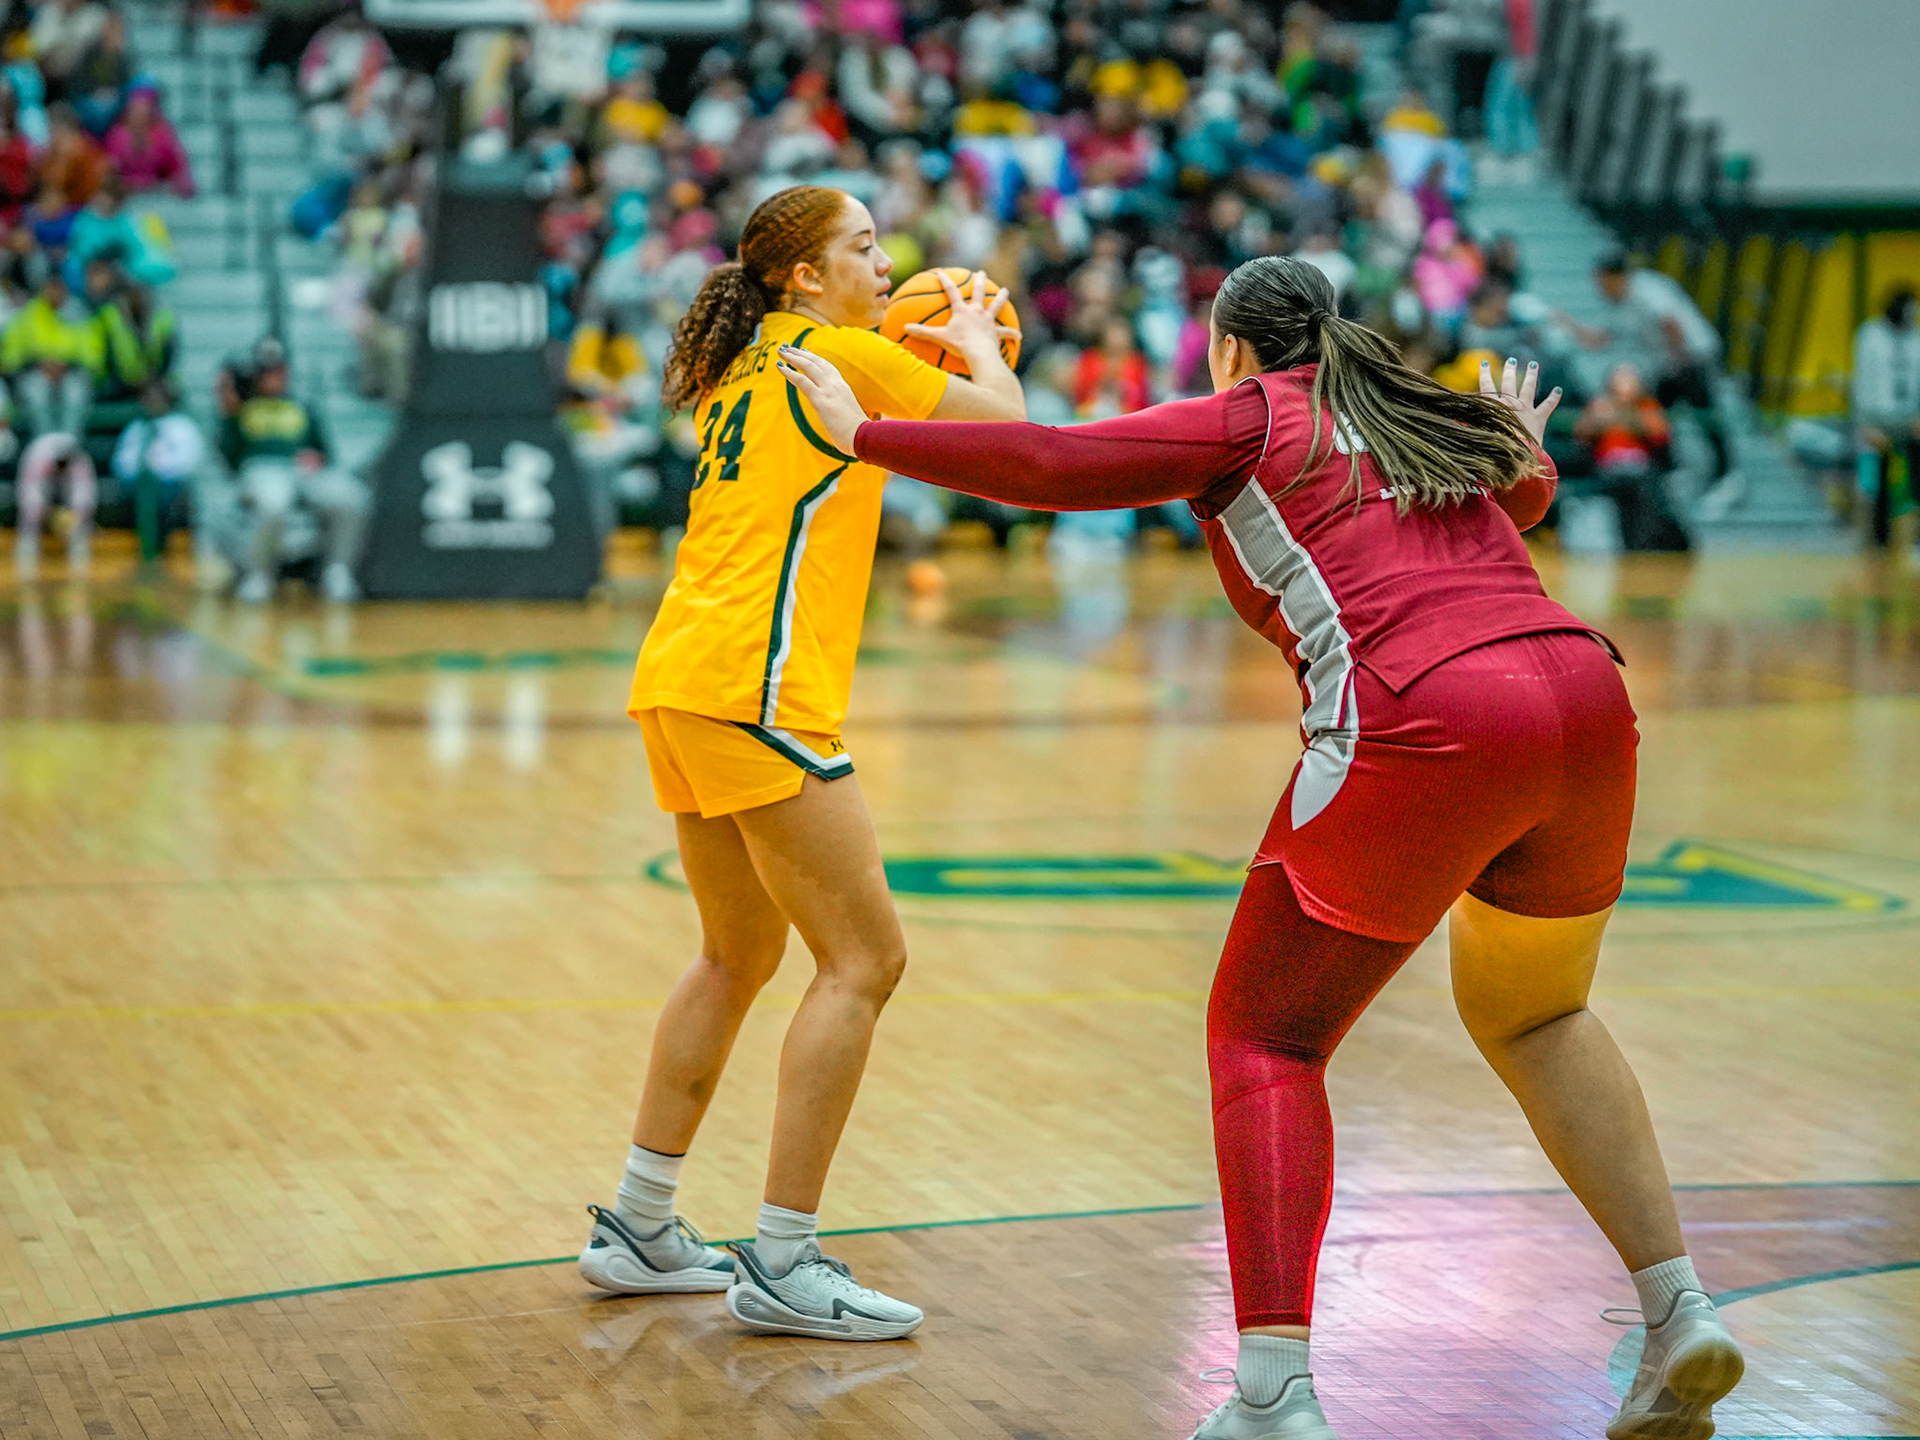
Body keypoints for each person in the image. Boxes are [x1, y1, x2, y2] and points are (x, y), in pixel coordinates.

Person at [777, 255, 1745, 1439]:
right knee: (1540, 1018)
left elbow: (1054, 464)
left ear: (1230, 347)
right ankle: (1679, 1311)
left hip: (1427, 712)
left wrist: (862, 434)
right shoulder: (1414, 407)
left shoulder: (1245, 416)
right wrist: (1526, 451)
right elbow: (1521, 500)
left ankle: (1275, 1395)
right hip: (1586, 702)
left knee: (1266, 1038)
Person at [582, 184, 1024, 1341]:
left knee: (736, 954)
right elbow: (1011, 435)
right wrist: (979, 339)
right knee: (865, 960)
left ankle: (639, 1224)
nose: (887, 266)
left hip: (680, 677)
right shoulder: (840, 356)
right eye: (864, 248)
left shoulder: (741, 371)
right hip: (758, 689)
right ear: (803, 277)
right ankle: (784, 1259)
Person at [216, 338, 369, 603]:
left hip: (303, 472)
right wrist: (228, 410)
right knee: (273, 502)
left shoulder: (301, 408)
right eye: (266, 372)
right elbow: (230, 458)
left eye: (278, 371)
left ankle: (337, 571)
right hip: (263, 470)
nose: (273, 378)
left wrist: (316, 459)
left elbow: (326, 453)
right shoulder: (243, 410)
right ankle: (259, 574)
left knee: (350, 497)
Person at [1562, 252, 1732, 486]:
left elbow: (1671, 323)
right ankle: (1669, 465)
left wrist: (1679, 362)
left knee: (1702, 411)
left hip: (1690, 358)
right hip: (1668, 365)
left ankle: (1725, 470)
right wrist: (1569, 325)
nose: (1600, 289)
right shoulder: (1619, 305)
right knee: (1659, 412)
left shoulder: (1646, 289)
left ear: (1613, 277)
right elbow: (1601, 339)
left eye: (1601, 282)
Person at [1850, 285, 1919, 547]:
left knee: (1913, 477)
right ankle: (1878, 539)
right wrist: (1864, 422)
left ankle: (1914, 535)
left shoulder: (1915, 338)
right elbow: (1862, 380)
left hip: (1909, 418)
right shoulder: (1870, 336)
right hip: (1876, 418)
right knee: (1876, 480)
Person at [13, 431, 96, 577]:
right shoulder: (37, 457)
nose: (62, 464)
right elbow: (29, 501)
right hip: (40, 491)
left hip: (67, 496)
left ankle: (81, 572)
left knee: (80, 528)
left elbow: (85, 499)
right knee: (28, 527)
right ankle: (25, 570)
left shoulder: (79, 460)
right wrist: (48, 516)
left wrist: (72, 519)